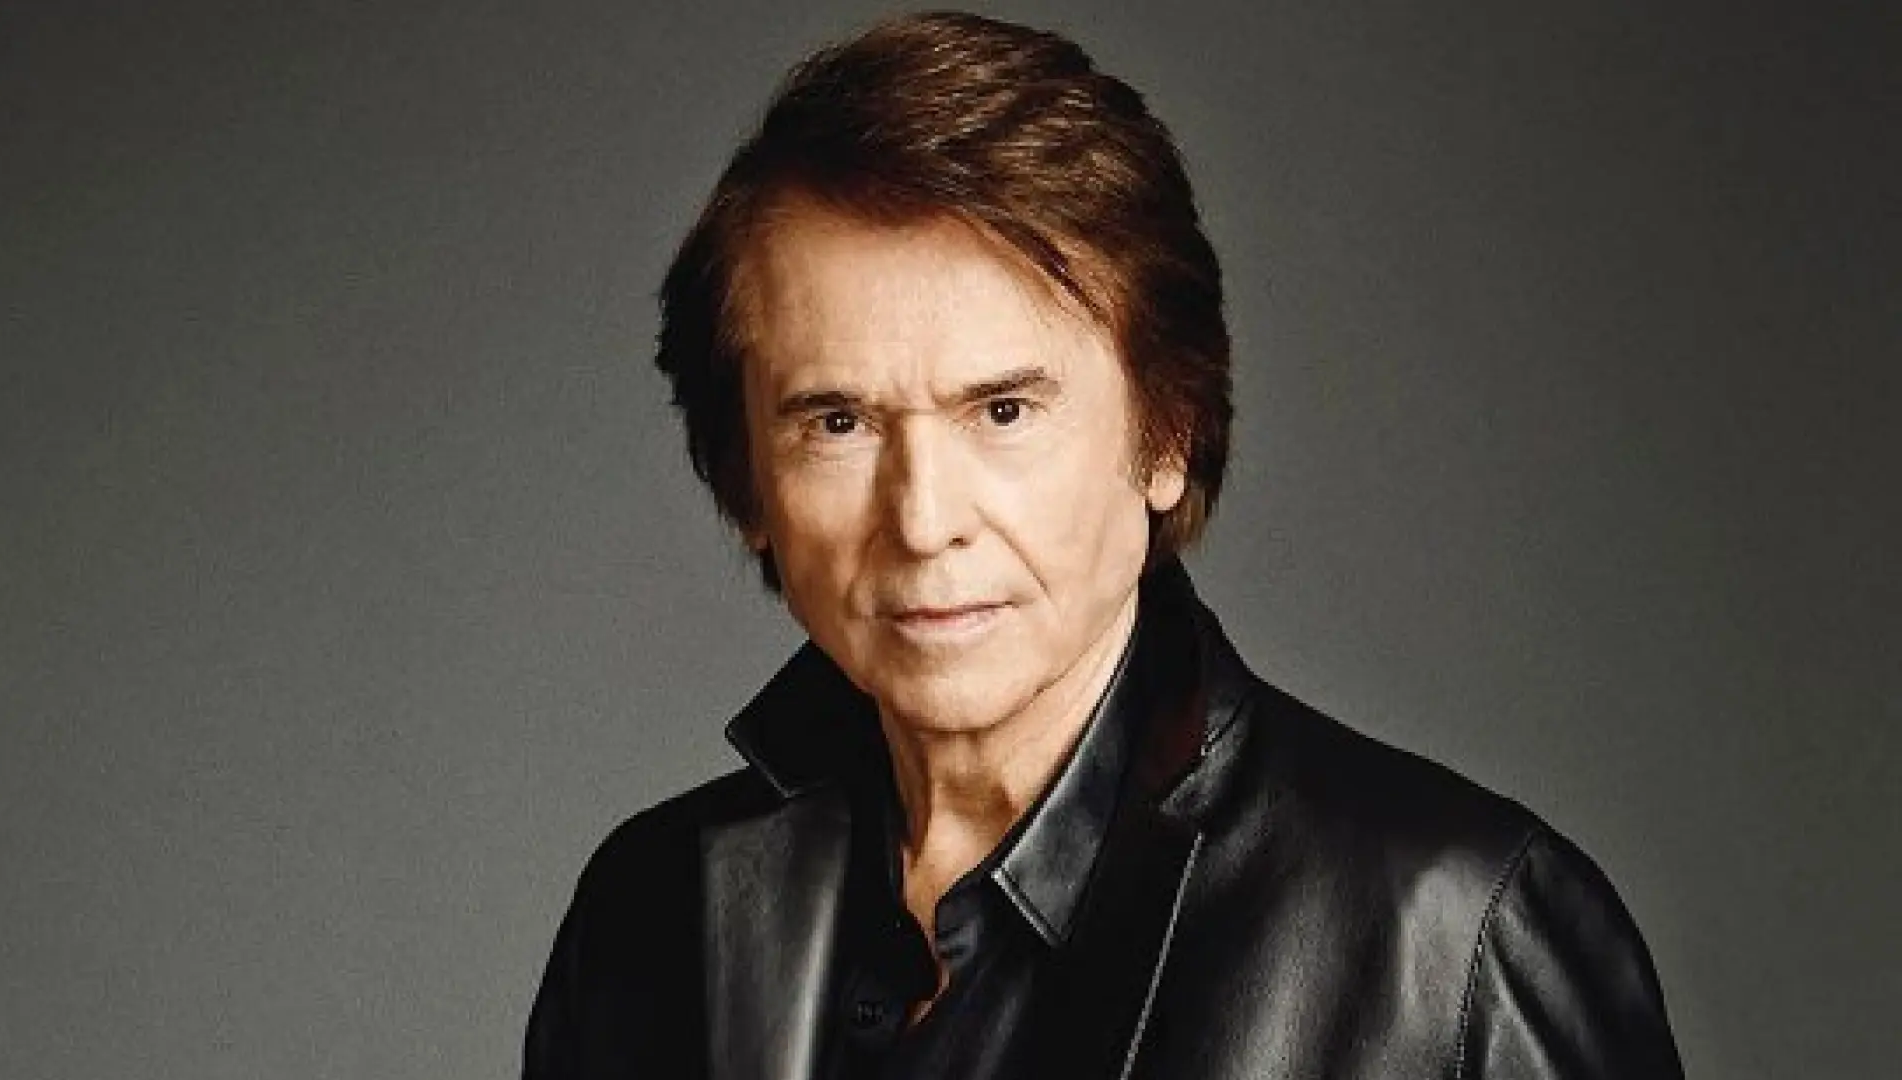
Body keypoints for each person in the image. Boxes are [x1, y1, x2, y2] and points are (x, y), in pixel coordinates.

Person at [522, 11, 1684, 1079]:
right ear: (746, 483)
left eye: (1003, 411)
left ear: (1166, 433)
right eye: (838, 423)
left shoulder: (1455, 940)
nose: (923, 519)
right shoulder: (646, 916)